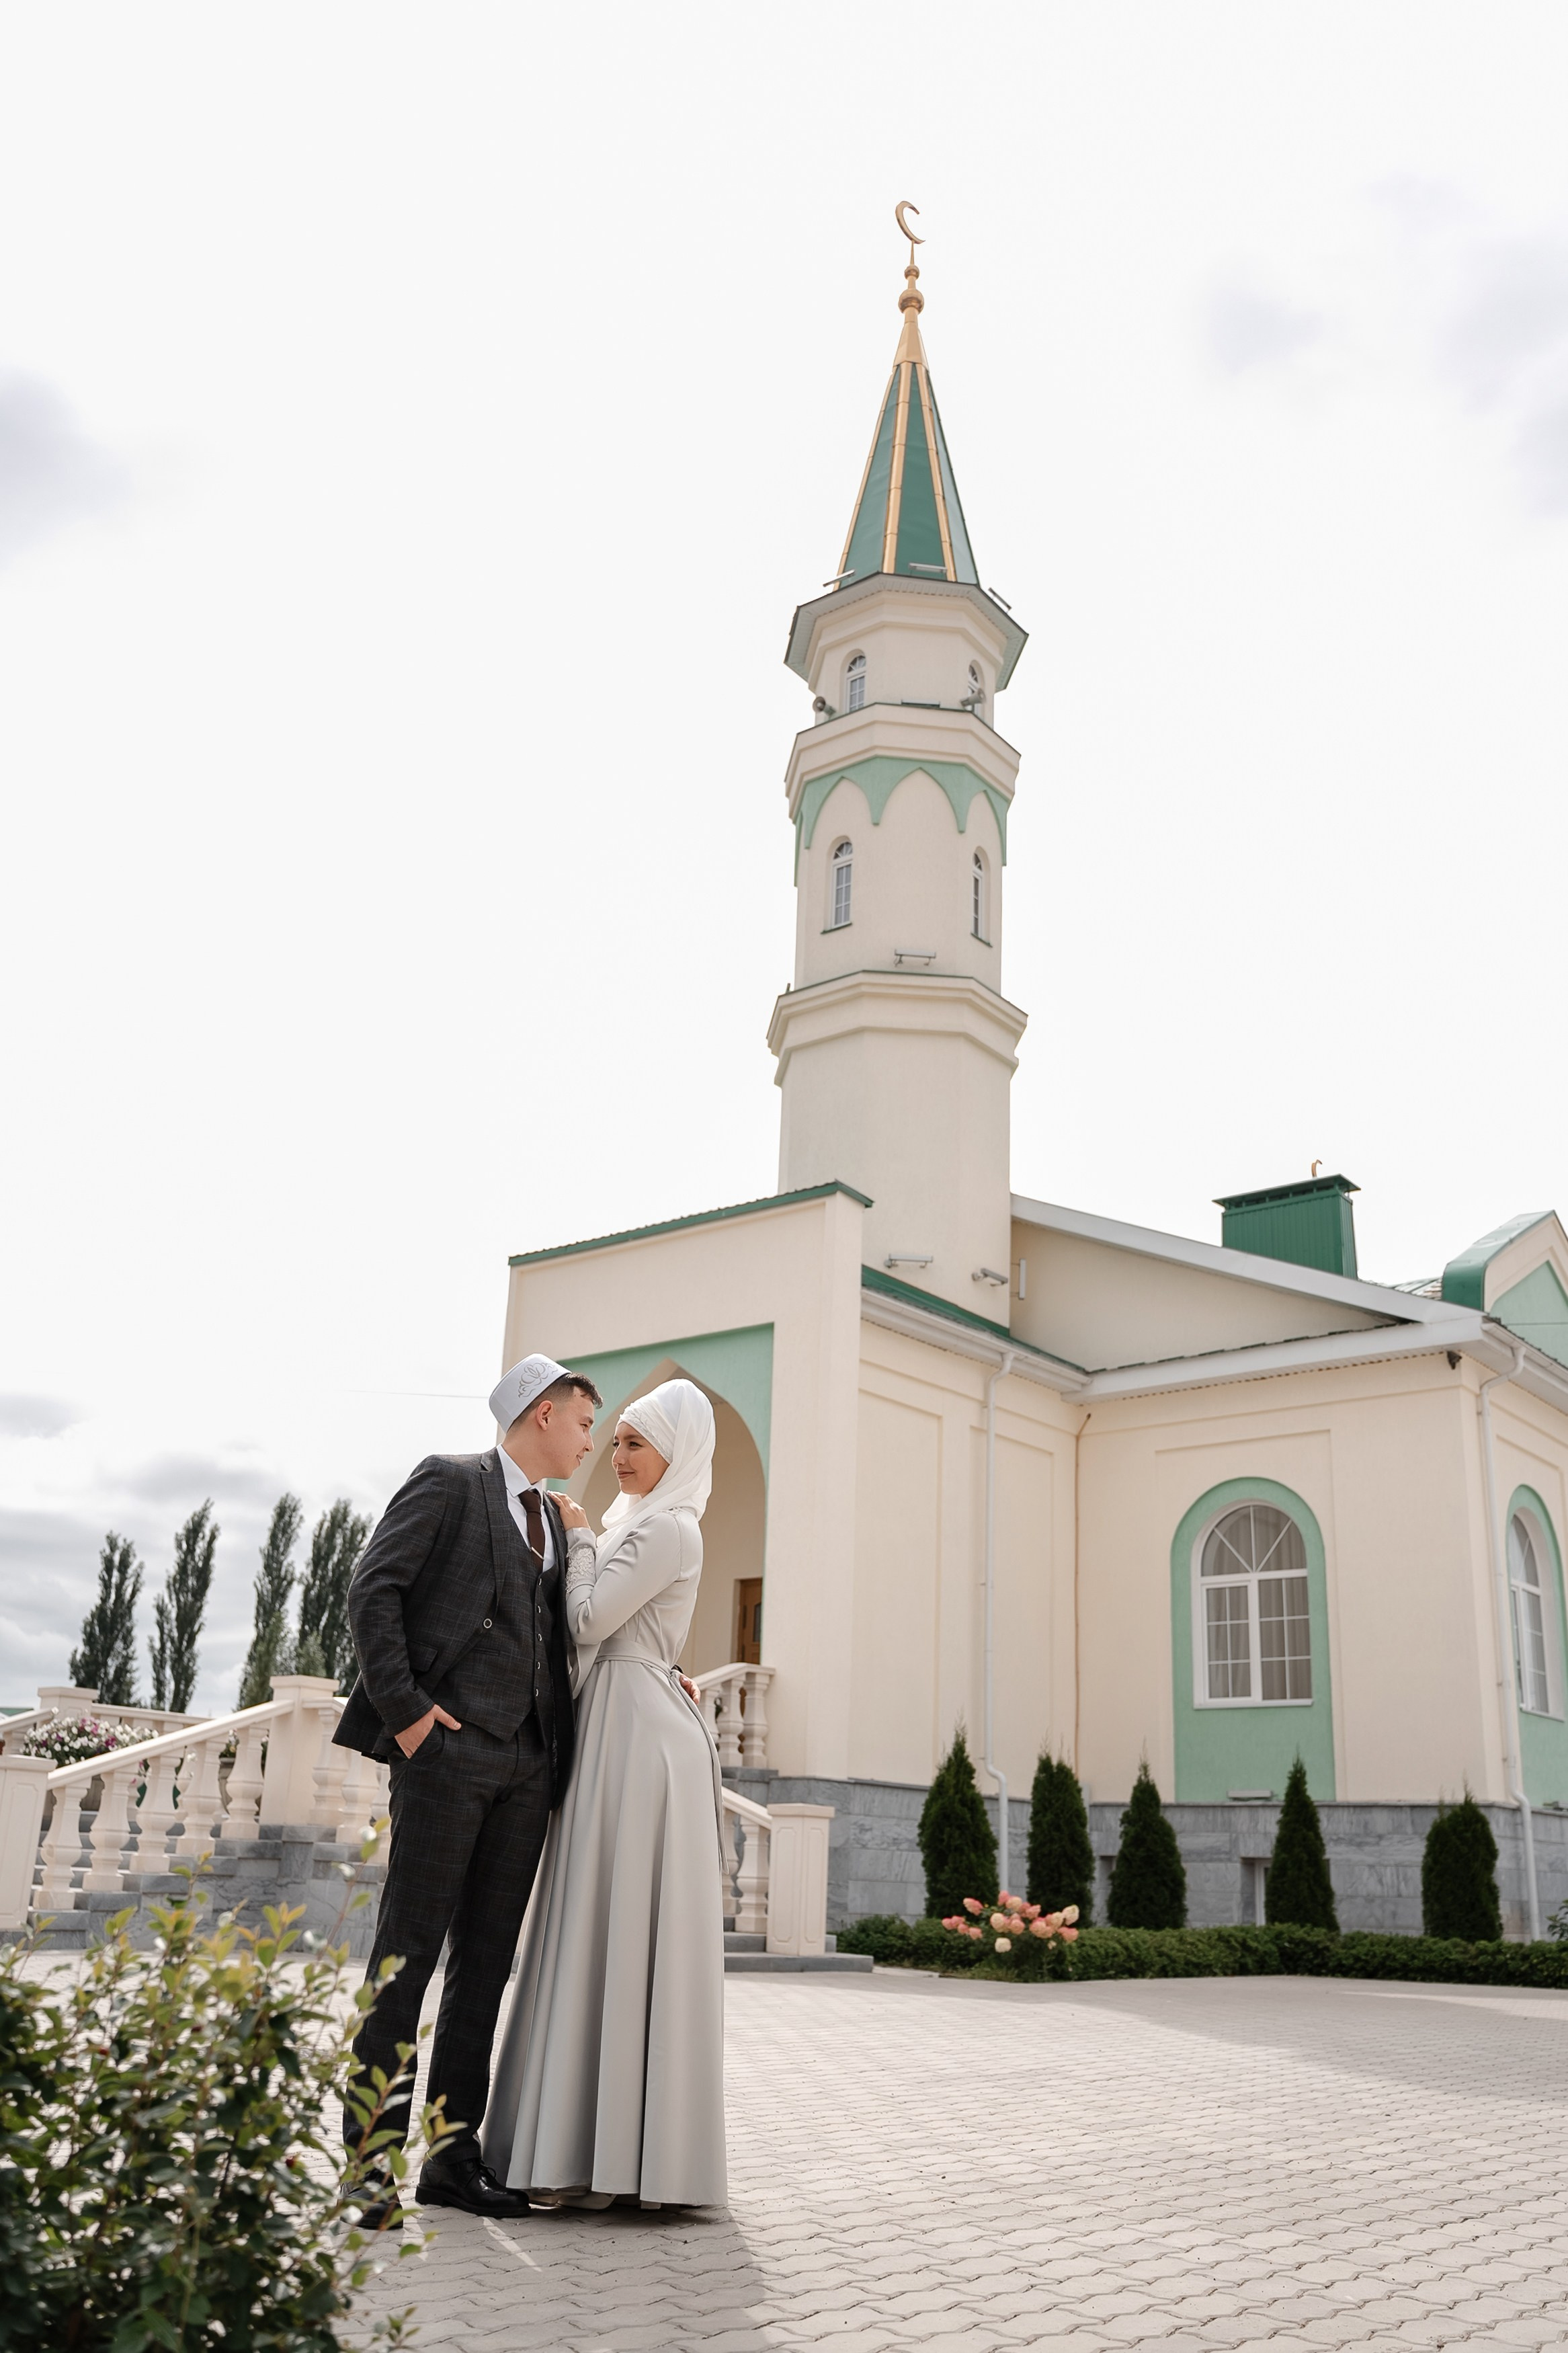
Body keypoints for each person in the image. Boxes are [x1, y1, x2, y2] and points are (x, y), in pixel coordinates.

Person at [333, 1353, 603, 2227]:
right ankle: (366, 2166)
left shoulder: (557, 1525)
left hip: (529, 1764)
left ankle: (452, 2160)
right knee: (406, 1960)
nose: (590, 1439)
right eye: (583, 1421)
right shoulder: (449, 1482)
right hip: (447, 1755)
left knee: (484, 1967)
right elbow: (373, 1590)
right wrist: (409, 1715)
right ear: (541, 1414)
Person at [483, 1376, 728, 2210]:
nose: (617, 1456)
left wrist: (579, 1539)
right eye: (614, 1440)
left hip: (639, 1743)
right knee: (596, 1927)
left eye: (634, 1443)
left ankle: (625, 2163)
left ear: (676, 1453)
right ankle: (588, 2154)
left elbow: (588, 1621)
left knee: (627, 1928)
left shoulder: (667, 1526)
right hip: (618, 1725)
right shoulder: (641, 1523)